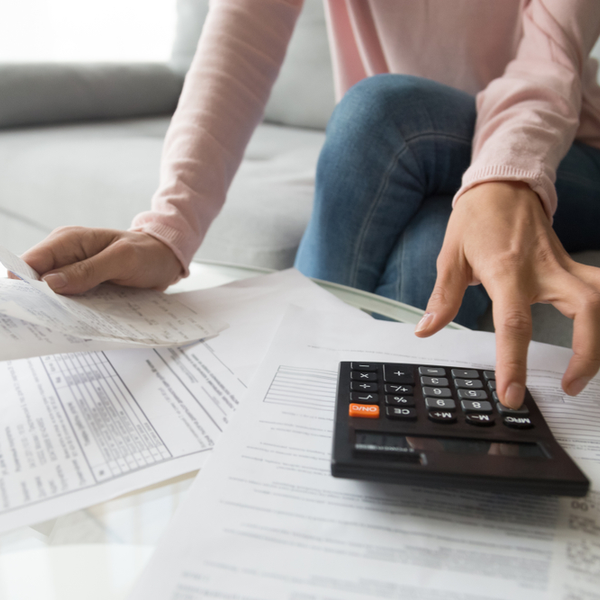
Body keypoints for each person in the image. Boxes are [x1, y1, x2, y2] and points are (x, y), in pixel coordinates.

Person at [16, 1, 600, 411]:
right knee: (431, 244)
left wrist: (500, 182)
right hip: (413, 170)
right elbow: (240, 37)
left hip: (561, 150)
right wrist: (167, 231)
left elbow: (547, 63)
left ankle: (276, 408)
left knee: (379, 108)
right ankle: (321, 431)